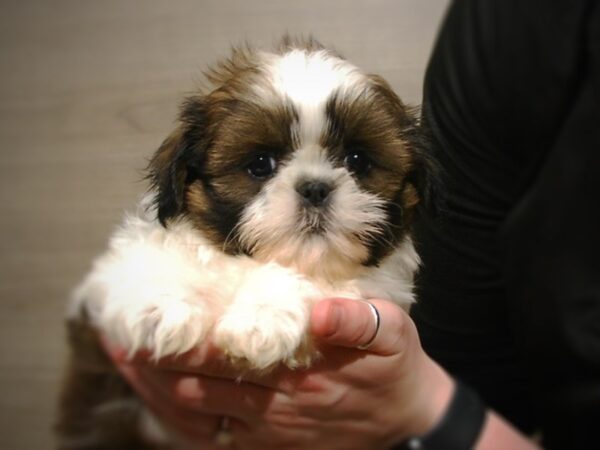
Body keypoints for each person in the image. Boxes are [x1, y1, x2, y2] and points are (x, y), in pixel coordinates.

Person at [103, 0, 600, 448]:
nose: (315, 188)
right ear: (182, 178)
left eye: (360, 162)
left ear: (416, 186)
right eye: (260, 166)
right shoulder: (160, 259)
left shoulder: (382, 292)